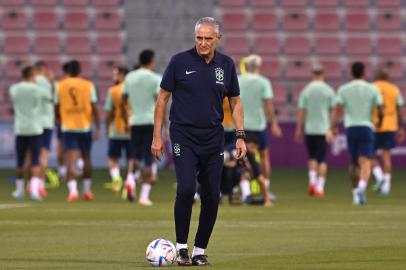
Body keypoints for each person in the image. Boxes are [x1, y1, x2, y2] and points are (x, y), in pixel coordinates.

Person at [152, 17, 247, 266]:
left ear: (218, 39)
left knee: (212, 197)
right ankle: (181, 248)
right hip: (183, 135)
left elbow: (235, 102)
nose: (202, 43)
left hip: (213, 137)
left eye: (208, 38)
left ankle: (199, 250)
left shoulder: (226, 65)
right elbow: (162, 99)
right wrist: (157, 136)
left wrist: (240, 136)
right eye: (199, 38)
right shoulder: (179, 62)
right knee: (185, 189)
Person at [331, 62, 383, 205]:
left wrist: (333, 127)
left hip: (351, 127)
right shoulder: (372, 89)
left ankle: (355, 195)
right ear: (364, 72)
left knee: (354, 162)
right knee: (365, 161)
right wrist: (379, 122)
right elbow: (380, 108)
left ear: (351, 73)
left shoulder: (344, 89)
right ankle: (362, 187)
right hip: (366, 126)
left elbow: (337, 109)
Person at [55, 60, 100, 202]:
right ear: (80, 70)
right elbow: (94, 108)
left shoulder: (59, 85)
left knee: (71, 159)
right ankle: (87, 191)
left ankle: (73, 192)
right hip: (85, 126)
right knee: (86, 157)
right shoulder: (88, 85)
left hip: (68, 127)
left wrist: (61, 119)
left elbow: (56, 107)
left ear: (67, 71)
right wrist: (98, 126)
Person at [238, 54, 282, 200]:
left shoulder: (238, 80)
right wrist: (274, 123)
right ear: (258, 67)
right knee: (264, 157)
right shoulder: (264, 82)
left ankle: (245, 192)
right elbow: (268, 105)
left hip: (241, 125)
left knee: (243, 158)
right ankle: (266, 190)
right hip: (259, 125)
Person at [122, 50, 161, 205]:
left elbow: (123, 99)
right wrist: (163, 123)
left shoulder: (129, 77)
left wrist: (127, 118)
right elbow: (160, 103)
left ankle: (130, 180)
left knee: (133, 155)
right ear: (151, 60)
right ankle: (144, 196)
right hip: (150, 121)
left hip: (134, 120)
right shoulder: (155, 78)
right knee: (148, 159)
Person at [294, 64, 336, 197]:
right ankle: (320, 187)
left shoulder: (306, 90)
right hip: (324, 129)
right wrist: (332, 128)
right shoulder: (329, 90)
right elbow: (333, 111)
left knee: (312, 157)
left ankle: (312, 181)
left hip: (310, 129)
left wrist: (299, 129)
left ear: (312, 74)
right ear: (323, 74)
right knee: (322, 160)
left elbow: (301, 111)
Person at [10, 65, 45, 200]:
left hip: (20, 128)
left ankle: (19, 190)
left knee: (20, 160)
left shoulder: (14, 88)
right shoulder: (38, 90)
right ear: (32, 75)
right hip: (35, 128)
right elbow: (38, 105)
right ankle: (34, 191)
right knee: (35, 160)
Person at [371, 68, 405, 195]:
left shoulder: (372, 88)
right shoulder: (394, 89)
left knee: (369, 155)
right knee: (387, 157)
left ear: (377, 75)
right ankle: (387, 186)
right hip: (390, 126)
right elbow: (399, 110)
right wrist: (401, 128)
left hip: (374, 125)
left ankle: (379, 176)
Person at [104, 66, 130, 193]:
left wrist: (106, 127)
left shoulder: (113, 91)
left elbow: (109, 112)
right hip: (131, 129)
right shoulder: (134, 90)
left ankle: (116, 178)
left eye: (116, 74)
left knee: (112, 157)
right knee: (131, 158)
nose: (114, 76)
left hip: (116, 129)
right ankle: (130, 182)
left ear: (122, 75)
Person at [34, 61, 55, 197]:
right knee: (44, 155)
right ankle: (40, 186)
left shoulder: (32, 81)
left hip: (35, 122)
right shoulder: (48, 82)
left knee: (32, 156)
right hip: (47, 123)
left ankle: (32, 185)